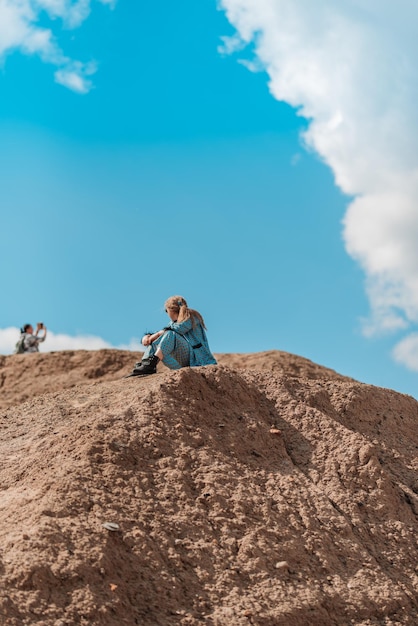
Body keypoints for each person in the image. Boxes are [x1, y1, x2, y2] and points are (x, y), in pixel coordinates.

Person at [127, 296, 217, 377]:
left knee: (170, 334)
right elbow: (165, 333)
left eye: (166, 311)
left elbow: (176, 329)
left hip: (198, 361)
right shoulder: (173, 323)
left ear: (171, 310)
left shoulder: (191, 317)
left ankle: (151, 364)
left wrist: (155, 335)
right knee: (161, 340)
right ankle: (146, 363)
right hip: (184, 362)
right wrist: (148, 337)